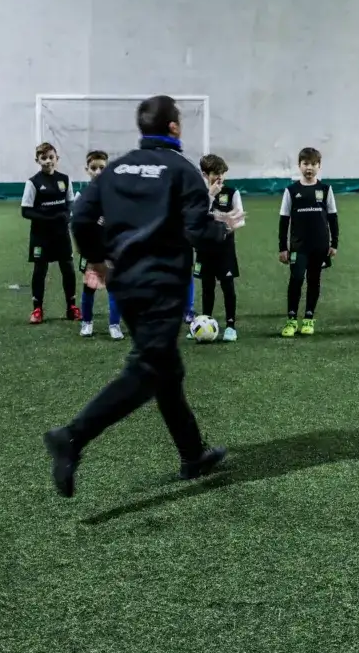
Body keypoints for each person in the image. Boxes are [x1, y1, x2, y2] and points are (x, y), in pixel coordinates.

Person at [42, 95, 230, 498]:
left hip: (125, 284)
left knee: (167, 371)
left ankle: (192, 453)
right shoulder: (182, 171)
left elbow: (79, 217)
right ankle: (72, 437)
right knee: (148, 370)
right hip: (161, 286)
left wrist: (97, 259)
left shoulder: (114, 169)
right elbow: (199, 233)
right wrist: (224, 229)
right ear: (174, 128)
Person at [279, 147, 339, 337]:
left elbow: (333, 217)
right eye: (305, 164)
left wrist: (334, 243)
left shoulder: (325, 189)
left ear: (319, 166)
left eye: (313, 164)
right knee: (296, 279)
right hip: (299, 246)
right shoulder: (291, 191)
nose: (309, 168)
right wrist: (283, 247)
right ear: (299, 166)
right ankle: (291, 320)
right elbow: (284, 220)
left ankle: (308, 318)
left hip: (320, 246)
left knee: (314, 280)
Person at [22, 142, 78, 324]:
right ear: (37, 160)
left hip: (61, 234)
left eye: (51, 157)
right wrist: (49, 217)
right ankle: (37, 309)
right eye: (43, 158)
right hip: (41, 235)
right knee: (40, 270)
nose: (47, 161)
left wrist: (67, 214)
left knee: (68, 269)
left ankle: (72, 307)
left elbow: (70, 203)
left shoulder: (65, 179)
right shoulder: (33, 183)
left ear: (57, 159)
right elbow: (25, 211)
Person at [193, 154, 244, 341]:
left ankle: (231, 326)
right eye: (216, 173)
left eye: (222, 173)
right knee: (207, 287)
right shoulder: (198, 194)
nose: (220, 177)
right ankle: (205, 321)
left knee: (227, 286)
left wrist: (224, 223)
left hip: (225, 249)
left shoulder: (232, 193)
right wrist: (210, 197)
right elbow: (196, 217)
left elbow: (239, 220)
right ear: (205, 174)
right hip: (204, 248)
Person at [76, 150, 123, 339]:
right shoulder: (83, 197)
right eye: (93, 168)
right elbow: (79, 225)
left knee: (113, 286)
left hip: (110, 249)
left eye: (102, 168)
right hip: (90, 250)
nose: (98, 172)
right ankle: (86, 322)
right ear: (87, 170)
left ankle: (114, 325)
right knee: (90, 287)